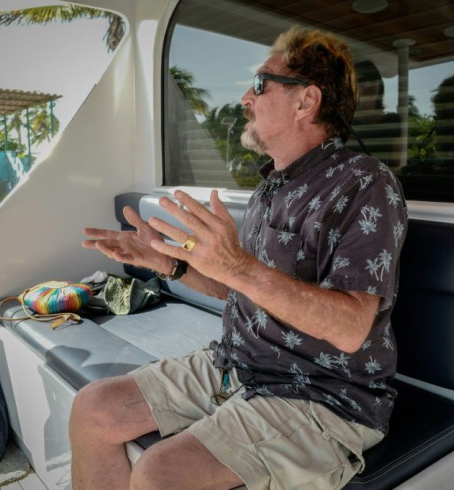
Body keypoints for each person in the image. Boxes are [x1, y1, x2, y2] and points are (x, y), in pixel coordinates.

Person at [71, 26, 408, 490]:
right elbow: (241, 290)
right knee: (93, 410)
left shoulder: (365, 184)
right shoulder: (271, 186)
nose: (245, 100)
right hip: (237, 364)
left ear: (305, 101)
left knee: (158, 474)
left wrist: (237, 264)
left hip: (324, 394)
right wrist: (170, 265)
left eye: (259, 84)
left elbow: (350, 329)